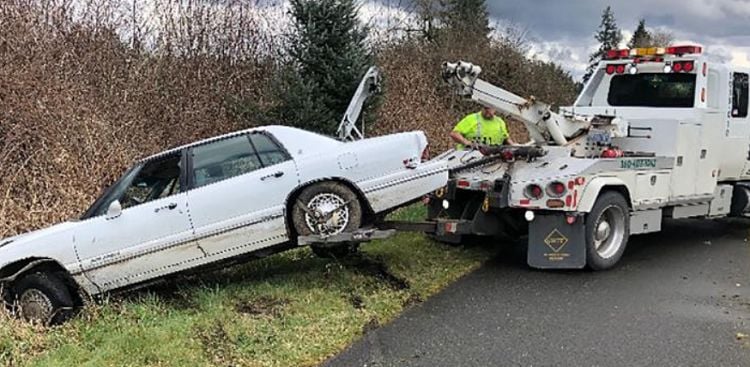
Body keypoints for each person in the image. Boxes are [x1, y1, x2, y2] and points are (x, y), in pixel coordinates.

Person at [449, 106, 515, 150]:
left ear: (495, 109)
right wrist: (467, 143)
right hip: (468, 156)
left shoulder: (500, 122)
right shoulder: (472, 119)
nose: (487, 110)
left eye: (490, 108)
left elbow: (506, 139)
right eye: (485, 108)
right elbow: (454, 134)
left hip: (492, 158)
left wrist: (515, 147)